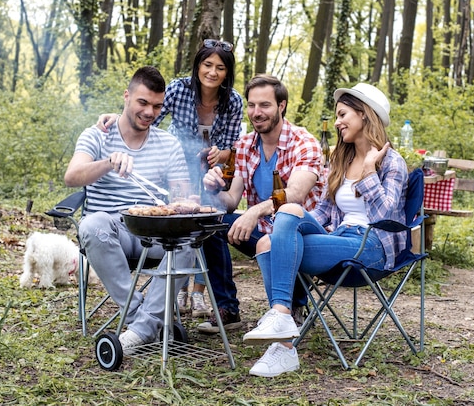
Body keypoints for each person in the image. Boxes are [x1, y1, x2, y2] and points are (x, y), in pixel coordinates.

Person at [243, 83, 408, 377]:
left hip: (371, 248)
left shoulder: (392, 161)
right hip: (339, 238)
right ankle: (283, 334)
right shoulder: (340, 159)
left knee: (276, 236)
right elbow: (324, 211)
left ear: (365, 115)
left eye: (343, 114)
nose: (337, 122)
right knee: (268, 239)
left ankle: (282, 334)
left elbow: (386, 215)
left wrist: (370, 172)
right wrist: (291, 221)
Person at [97, 39, 244, 318]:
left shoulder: (233, 101)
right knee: (179, 224)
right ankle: (174, 293)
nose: (212, 72)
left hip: (212, 171)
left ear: (227, 72)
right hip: (176, 168)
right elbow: (146, 117)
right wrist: (116, 117)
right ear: (198, 65)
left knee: (211, 222)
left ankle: (211, 299)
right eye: (207, 64)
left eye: (220, 68)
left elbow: (234, 147)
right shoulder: (178, 89)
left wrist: (220, 155)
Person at [64, 66, 195, 353]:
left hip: (154, 232)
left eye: (158, 106)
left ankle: (139, 329)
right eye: (143, 102)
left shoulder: (168, 143)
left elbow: (181, 196)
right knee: (92, 224)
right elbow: (72, 176)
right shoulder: (97, 135)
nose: (150, 112)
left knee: (191, 239)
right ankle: (146, 321)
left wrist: (187, 201)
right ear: (126, 96)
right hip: (112, 233)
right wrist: (108, 162)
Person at [198, 74, 324, 334]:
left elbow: (296, 194)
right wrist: (212, 190)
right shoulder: (244, 146)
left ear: (281, 106)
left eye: (265, 105)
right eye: (252, 105)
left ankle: (294, 307)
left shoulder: (305, 143)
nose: (257, 112)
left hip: (302, 232)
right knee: (211, 221)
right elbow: (231, 201)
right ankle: (227, 309)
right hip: (264, 229)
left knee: (284, 229)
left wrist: (254, 211)